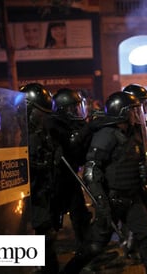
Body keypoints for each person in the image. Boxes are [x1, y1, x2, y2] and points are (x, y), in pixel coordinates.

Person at [60, 92, 147, 274]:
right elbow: (91, 170)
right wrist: (101, 201)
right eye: (132, 111)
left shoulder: (132, 133)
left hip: (132, 198)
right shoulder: (106, 135)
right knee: (95, 245)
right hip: (111, 200)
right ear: (122, 112)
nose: (136, 114)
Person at [19, 83, 59, 274]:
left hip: (43, 194)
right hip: (29, 199)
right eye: (41, 113)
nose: (44, 118)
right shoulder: (17, 134)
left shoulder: (41, 132)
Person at [47, 87, 92, 246]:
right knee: (51, 218)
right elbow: (71, 145)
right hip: (56, 181)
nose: (77, 111)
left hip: (70, 177)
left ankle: (86, 250)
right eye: (73, 107)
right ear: (63, 109)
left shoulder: (73, 124)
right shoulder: (53, 126)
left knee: (80, 214)